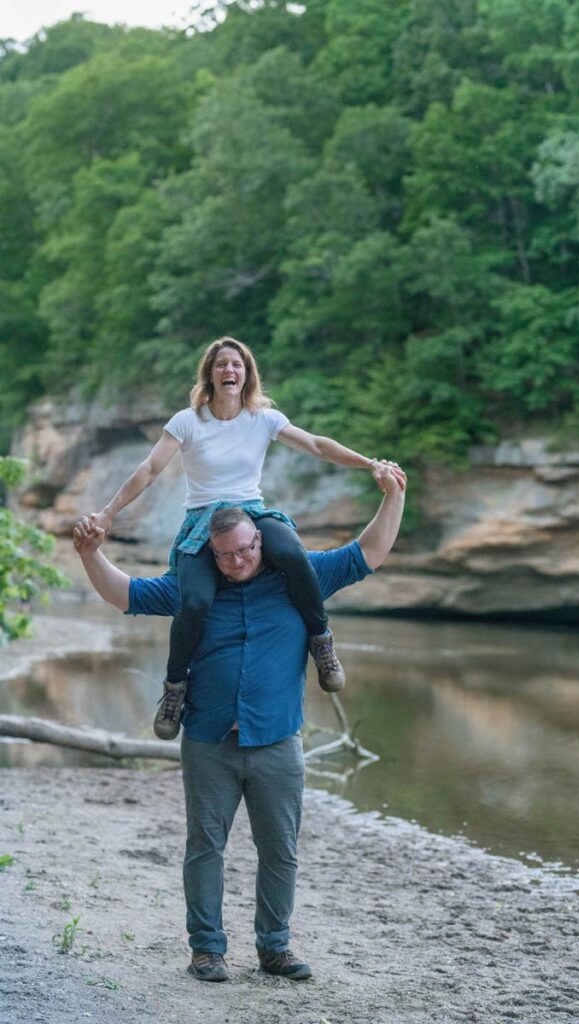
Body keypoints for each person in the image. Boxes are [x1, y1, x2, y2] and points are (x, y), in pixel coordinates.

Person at [73, 463, 405, 983]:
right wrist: (91, 553)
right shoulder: (192, 588)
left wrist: (394, 496)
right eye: (225, 554)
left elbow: (368, 554)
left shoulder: (301, 577)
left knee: (280, 850)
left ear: (261, 539)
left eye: (246, 549)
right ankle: (207, 950)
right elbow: (126, 594)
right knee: (205, 847)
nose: (238, 560)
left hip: (277, 741)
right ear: (211, 552)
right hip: (209, 740)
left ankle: (274, 948)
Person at [81, 336, 406, 742]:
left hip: (252, 515)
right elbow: (149, 469)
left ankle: (322, 643)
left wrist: (370, 463)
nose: (229, 371)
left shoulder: (264, 418)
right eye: (221, 365)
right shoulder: (187, 421)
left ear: (247, 374)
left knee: (292, 553)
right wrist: (108, 514)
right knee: (194, 599)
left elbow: (319, 447)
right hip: (204, 523)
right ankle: (174, 689)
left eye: (237, 365)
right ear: (210, 374)